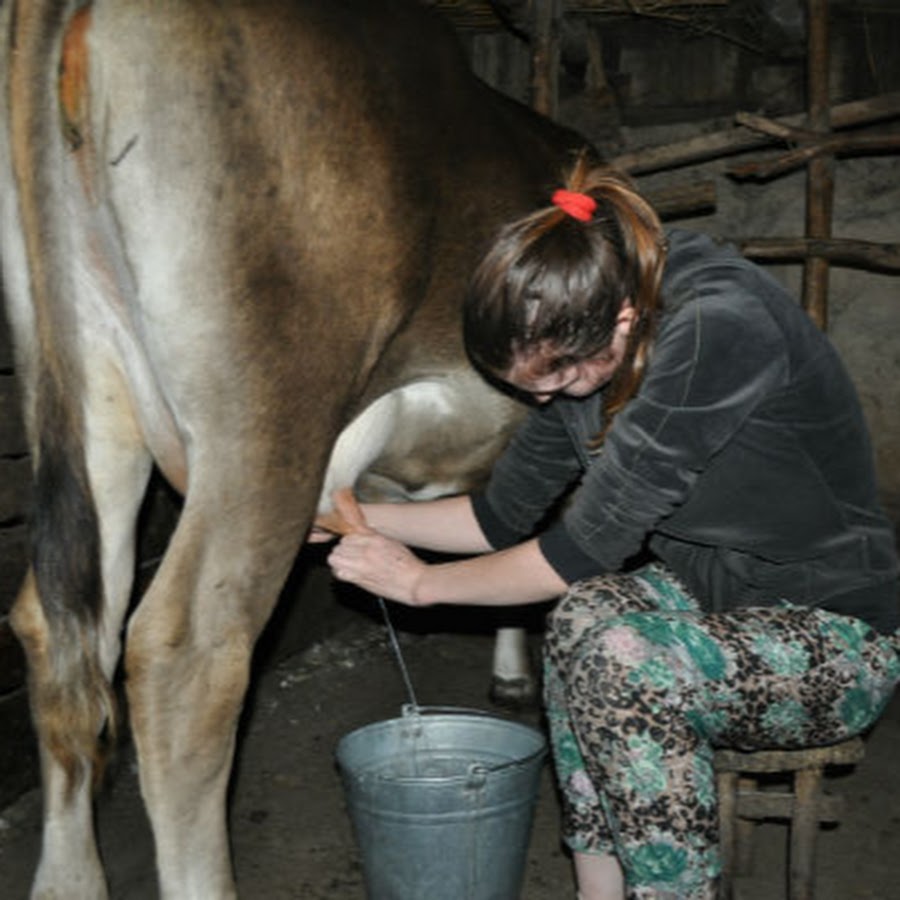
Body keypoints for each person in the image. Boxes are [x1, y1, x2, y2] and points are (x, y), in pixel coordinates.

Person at [315, 157, 900, 900]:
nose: (549, 397)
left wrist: (422, 584)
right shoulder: (592, 324)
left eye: (557, 380)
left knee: (626, 655)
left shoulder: (717, 329)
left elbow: (582, 547)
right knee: (581, 618)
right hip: (713, 604)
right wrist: (349, 515)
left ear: (617, 324)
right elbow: (499, 519)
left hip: (837, 634)